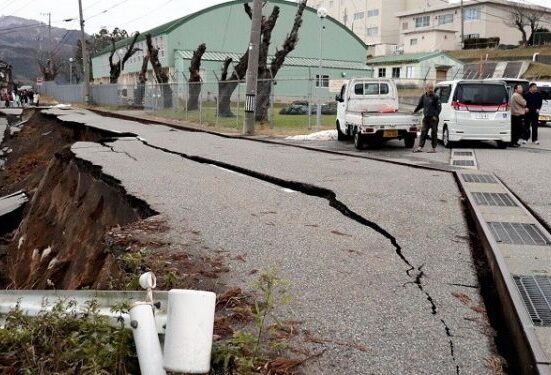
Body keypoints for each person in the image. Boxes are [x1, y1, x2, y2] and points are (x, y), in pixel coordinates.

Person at [413, 82, 441, 153]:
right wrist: (414, 111)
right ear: (426, 88)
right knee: (423, 132)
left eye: (432, 88)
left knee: (434, 133)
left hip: (433, 118)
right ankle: (420, 147)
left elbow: (439, 108)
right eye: (429, 88)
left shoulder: (435, 97)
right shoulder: (423, 97)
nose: (431, 89)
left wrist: (435, 116)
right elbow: (420, 105)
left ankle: (433, 148)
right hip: (426, 118)